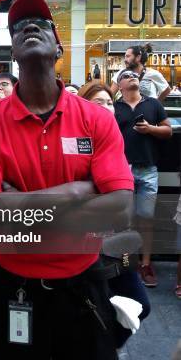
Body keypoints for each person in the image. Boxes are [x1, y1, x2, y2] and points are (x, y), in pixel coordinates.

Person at [0, 0, 134, 359]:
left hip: (83, 285)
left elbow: (119, 208)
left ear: (58, 46)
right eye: (20, 26)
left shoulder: (97, 119)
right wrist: (74, 193)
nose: (30, 27)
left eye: (42, 23)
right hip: (11, 285)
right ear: (12, 49)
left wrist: (13, 203)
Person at [78, 80, 152, 347]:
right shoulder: (77, 145)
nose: (108, 108)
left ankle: (108, 345)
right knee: (92, 307)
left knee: (141, 305)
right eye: (100, 102)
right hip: (86, 243)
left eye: (110, 103)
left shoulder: (114, 138)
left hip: (117, 239)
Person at [114, 69, 172, 288]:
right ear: (119, 85)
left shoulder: (153, 104)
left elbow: (167, 131)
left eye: (134, 75)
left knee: (146, 218)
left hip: (148, 169)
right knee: (125, 220)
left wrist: (150, 129)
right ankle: (127, 262)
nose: (132, 76)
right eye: (126, 75)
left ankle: (146, 264)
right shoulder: (114, 108)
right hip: (121, 170)